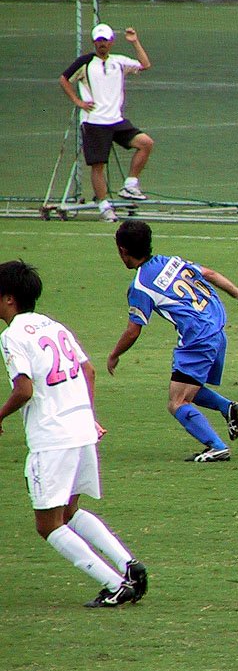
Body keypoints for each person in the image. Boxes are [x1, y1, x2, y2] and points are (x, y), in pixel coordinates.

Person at [0, 260, 147, 607]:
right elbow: (89, 370)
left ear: (8, 299)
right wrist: (88, 416)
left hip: (52, 437)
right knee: (69, 511)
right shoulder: (55, 326)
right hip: (81, 430)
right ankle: (129, 566)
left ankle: (115, 584)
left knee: (48, 524)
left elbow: (24, 390)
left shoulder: (12, 336)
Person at [107, 220, 238, 462]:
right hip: (217, 329)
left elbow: (133, 331)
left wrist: (114, 355)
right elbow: (209, 273)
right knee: (188, 387)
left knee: (177, 402)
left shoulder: (140, 286)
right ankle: (227, 407)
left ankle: (217, 447)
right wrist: (236, 292)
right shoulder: (171, 262)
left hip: (198, 339)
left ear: (122, 250)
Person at [59, 23, 154, 224]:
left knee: (145, 143)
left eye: (105, 40)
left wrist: (134, 41)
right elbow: (64, 79)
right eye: (99, 40)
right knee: (98, 165)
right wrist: (78, 101)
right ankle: (104, 207)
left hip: (116, 120)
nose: (102, 44)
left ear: (111, 42)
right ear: (94, 42)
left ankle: (130, 185)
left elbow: (145, 64)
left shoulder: (119, 61)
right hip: (94, 122)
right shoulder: (85, 63)